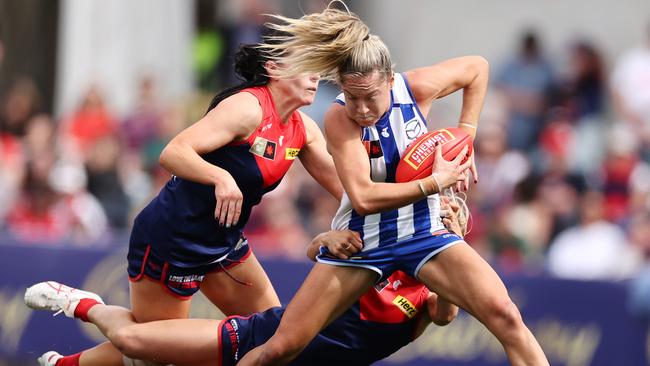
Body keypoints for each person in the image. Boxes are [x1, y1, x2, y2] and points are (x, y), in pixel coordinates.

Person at [237, 7, 549, 366]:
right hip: (363, 241)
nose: (363, 108)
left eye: (371, 96)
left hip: (424, 232)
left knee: (506, 316)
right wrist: (436, 182)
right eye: (353, 96)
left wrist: (467, 135)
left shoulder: (415, 88)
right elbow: (364, 198)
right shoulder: (338, 118)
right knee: (282, 347)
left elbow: (477, 67)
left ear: (390, 81)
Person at [44, 41, 342, 365]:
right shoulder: (247, 108)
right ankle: (84, 316)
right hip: (173, 239)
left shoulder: (304, 130)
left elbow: (348, 191)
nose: (315, 77)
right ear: (273, 68)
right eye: (307, 67)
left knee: (278, 337)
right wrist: (221, 178)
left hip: (224, 242)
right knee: (154, 354)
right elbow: (173, 152)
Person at [25, 199, 466, 366]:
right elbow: (319, 254)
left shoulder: (432, 292)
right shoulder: (381, 248)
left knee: (155, 357)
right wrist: (325, 238)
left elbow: (445, 316)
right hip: (262, 339)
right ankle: (80, 303)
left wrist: (452, 244)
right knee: (139, 344)